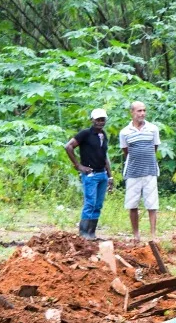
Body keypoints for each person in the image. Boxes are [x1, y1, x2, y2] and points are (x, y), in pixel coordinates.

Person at [64, 108, 114, 240]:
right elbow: (68, 147)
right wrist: (78, 166)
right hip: (91, 174)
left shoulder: (103, 135)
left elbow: (104, 157)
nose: (100, 122)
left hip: (102, 174)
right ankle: (84, 233)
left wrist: (110, 176)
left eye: (102, 119)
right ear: (92, 120)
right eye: (97, 119)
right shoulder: (85, 134)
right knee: (90, 203)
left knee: (98, 204)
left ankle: (92, 233)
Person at [119, 101, 161, 239]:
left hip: (150, 170)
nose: (142, 113)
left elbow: (154, 147)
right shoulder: (125, 132)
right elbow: (126, 151)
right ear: (132, 112)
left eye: (144, 110)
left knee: (152, 203)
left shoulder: (153, 129)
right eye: (139, 111)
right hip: (133, 171)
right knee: (132, 204)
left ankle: (153, 234)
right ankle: (136, 235)